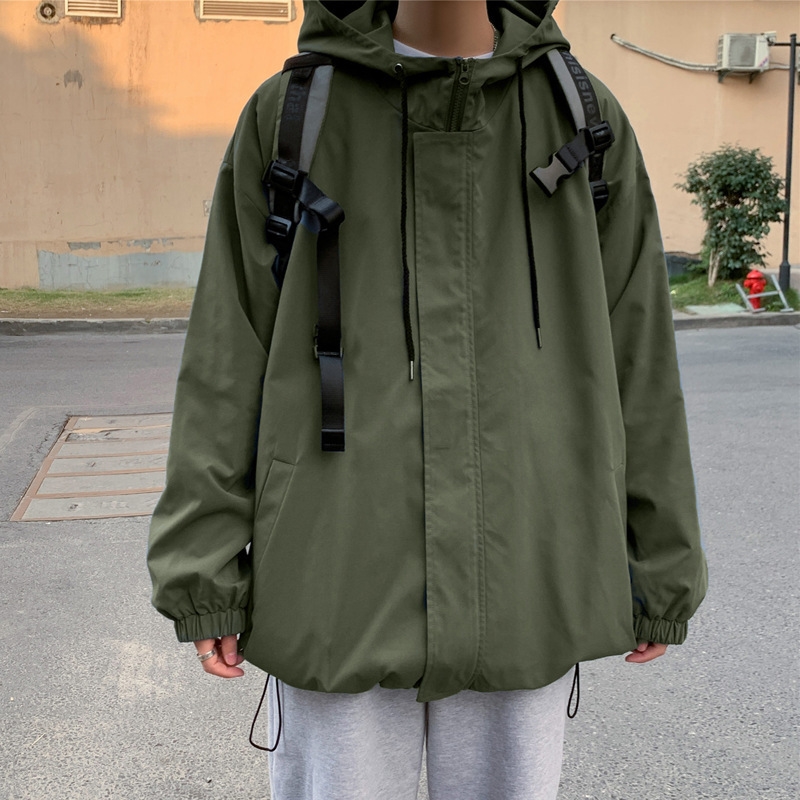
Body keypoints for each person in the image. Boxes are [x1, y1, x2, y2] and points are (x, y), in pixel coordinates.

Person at [147, 1, 708, 798]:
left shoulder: (580, 114)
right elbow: (225, 357)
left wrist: (663, 561)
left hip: (527, 569)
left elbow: (639, 356)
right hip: (333, 572)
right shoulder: (294, 115)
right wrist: (202, 570)